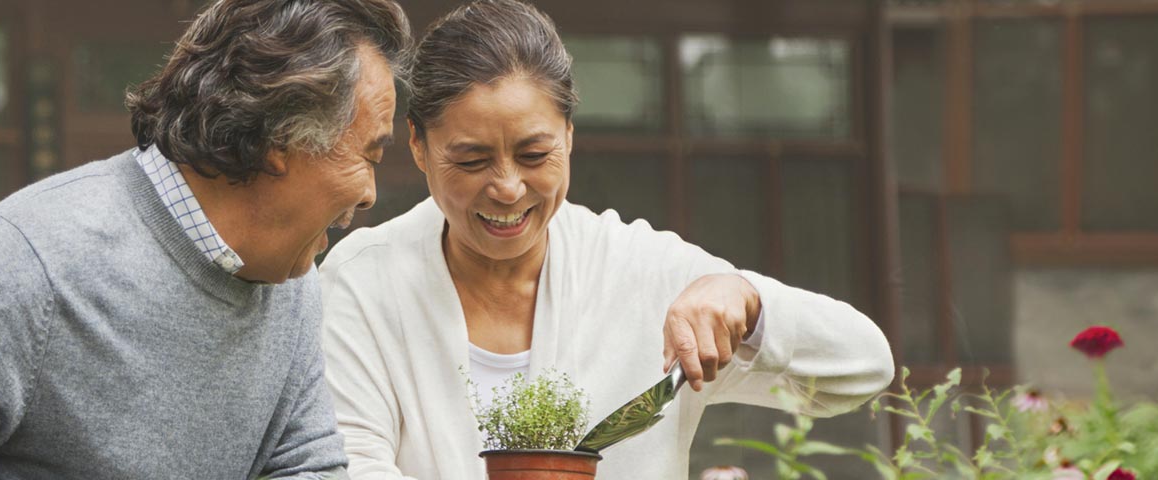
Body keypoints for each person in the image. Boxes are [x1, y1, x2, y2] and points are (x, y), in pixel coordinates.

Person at [0, 0, 411, 478]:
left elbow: (308, 464)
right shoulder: (29, 256)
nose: (369, 194)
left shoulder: (288, 279)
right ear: (283, 141)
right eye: (369, 155)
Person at [315, 1, 896, 478]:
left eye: (535, 154)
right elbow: (350, 467)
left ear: (569, 133)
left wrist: (748, 300)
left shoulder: (642, 274)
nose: (509, 188)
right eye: (470, 160)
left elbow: (864, 366)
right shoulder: (366, 280)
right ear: (418, 146)